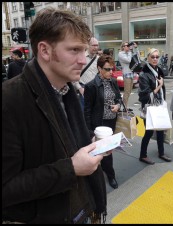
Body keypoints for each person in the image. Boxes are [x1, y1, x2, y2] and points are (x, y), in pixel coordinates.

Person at [2, 8, 107, 224]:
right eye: (75, 50)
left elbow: (63, 139)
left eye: (85, 51)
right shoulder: (9, 100)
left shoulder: (69, 90)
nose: (83, 59)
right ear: (45, 50)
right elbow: (6, 188)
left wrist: (91, 143)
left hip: (82, 209)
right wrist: (71, 168)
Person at [84, 55, 122, 189]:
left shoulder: (113, 81)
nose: (111, 72)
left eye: (112, 69)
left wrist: (117, 106)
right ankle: (108, 175)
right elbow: (87, 110)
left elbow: (118, 99)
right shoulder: (91, 86)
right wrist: (89, 131)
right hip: (99, 124)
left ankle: (108, 174)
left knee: (107, 151)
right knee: (102, 153)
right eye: (107, 69)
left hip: (111, 123)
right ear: (99, 68)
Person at [138, 48, 172, 165]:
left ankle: (161, 153)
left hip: (159, 105)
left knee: (161, 130)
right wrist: (160, 85)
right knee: (148, 132)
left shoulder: (158, 71)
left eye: (157, 57)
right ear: (148, 57)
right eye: (153, 57)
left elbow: (161, 92)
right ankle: (143, 155)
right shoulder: (144, 74)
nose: (155, 59)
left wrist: (163, 101)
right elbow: (145, 95)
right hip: (149, 107)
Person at [73, 37, 100, 110]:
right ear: (88, 45)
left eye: (97, 45)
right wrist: (80, 88)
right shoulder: (81, 57)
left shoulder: (98, 59)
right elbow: (73, 75)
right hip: (83, 88)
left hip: (95, 88)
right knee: (84, 113)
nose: (96, 47)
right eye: (94, 45)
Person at [118, 41, 139, 110]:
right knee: (126, 91)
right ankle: (124, 107)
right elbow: (128, 60)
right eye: (126, 45)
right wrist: (130, 51)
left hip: (132, 74)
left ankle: (125, 106)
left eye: (128, 45)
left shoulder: (129, 53)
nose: (128, 46)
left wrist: (135, 48)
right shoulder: (121, 54)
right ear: (123, 47)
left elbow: (138, 56)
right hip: (126, 74)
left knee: (129, 91)